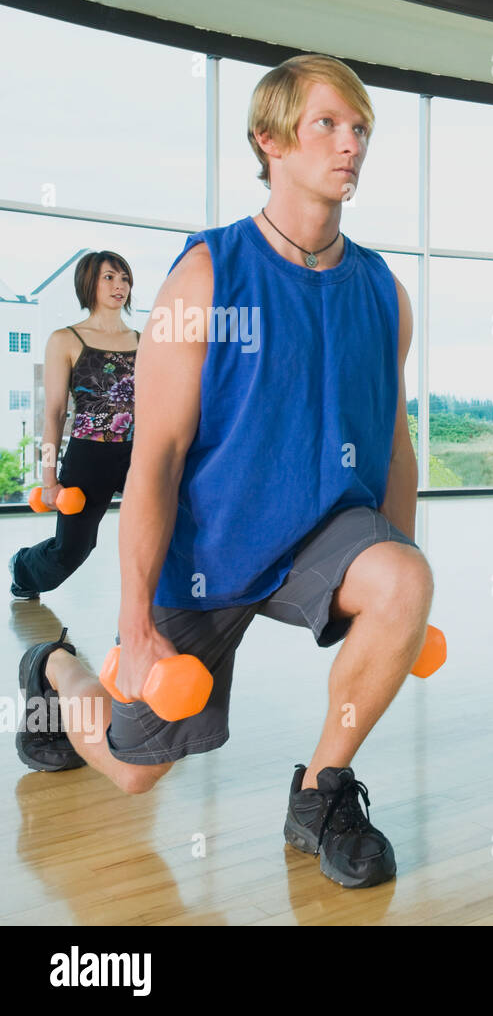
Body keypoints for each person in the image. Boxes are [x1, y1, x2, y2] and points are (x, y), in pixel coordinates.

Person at [16, 55, 432, 889]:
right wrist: (134, 625)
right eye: (328, 125)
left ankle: (321, 796)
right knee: (134, 768)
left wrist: (402, 580)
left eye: (361, 130)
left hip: (325, 532)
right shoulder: (206, 277)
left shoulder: (382, 289)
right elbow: (156, 460)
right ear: (269, 139)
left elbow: (393, 446)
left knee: (404, 580)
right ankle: (53, 673)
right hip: (211, 548)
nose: (350, 145)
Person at [9, 252, 139, 600]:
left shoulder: (144, 341)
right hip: (88, 457)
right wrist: (49, 479)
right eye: (109, 278)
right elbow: (53, 413)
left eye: (124, 278)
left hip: (137, 455)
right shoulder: (65, 340)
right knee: (73, 551)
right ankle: (24, 567)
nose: (119, 285)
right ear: (88, 284)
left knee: (167, 530)